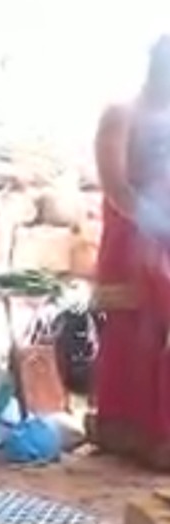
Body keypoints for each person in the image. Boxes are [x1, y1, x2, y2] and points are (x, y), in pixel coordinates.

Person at [89, 35, 170, 471]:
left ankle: (160, 436)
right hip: (132, 238)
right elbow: (115, 185)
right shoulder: (122, 114)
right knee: (133, 334)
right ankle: (127, 431)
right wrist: (154, 224)